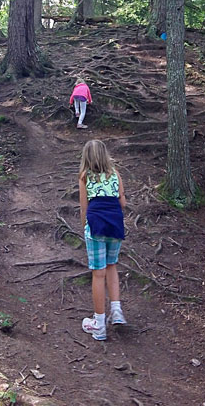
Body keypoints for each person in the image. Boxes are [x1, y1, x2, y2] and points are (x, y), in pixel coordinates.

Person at [79, 139, 127, 341]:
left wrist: (84, 226)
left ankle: (99, 325)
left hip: (96, 226)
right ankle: (116, 311)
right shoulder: (115, 174)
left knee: (98, 273)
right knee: (112, 265)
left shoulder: (84, 177)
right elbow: (122, 202)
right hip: (115, 225)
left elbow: (84, 207)